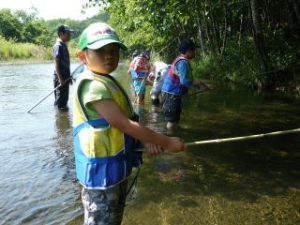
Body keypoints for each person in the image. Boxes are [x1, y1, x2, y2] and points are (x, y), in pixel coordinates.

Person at [74, 22, 186, 225]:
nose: (109, 55)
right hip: (100, 178)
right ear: (82, 56)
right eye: (100, 51)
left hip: (115, 171)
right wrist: (166, 141)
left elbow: (128, 125)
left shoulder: (106, 81)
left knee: (114, 219)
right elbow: (123, 124)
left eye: (114, 50)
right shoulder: (92, 85)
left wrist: (145, 142)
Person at [161, 39, 212, 130]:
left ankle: (174, 132)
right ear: (189, 51)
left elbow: (188, 80)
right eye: (194, 50)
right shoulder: (183, 63)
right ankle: (170, 137)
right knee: (172, 121)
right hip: (172, 95)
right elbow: (184, 81)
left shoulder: (180, 60)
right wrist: (201, 85)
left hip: (171, 94)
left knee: (174, 119)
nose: (195, 52)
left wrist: (205, 85)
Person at [53, 25, 74, 111]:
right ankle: (59, 120)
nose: (70, 36)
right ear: (61, 34)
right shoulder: (58, 46)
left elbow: (66, 64)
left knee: (64, 101)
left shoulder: (63, 45)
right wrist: (60, 79)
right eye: (68, 34)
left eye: (70, 33)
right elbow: (56, 63)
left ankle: (64, 121)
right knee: (60, 104)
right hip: (60, 78)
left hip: (65, 77)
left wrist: (69, 78)